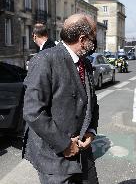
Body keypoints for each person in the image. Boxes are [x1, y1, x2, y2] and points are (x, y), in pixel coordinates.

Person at [23, 14, 99, 183]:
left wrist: (91, 132)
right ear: (82, 38)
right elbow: (33, 112)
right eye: (94, 36)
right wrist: (65, 144)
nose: (95, 42)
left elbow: (92, 103)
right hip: (54, 157)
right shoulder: (44, 60)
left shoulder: (84, 63)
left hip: (83, 155)